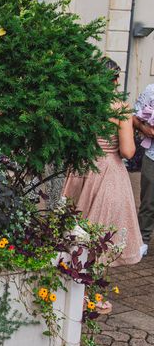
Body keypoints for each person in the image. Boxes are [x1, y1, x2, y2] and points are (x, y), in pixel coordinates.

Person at [62, 58, 143, 274]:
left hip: (80, 168)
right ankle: (92, 295)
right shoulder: (121, 109)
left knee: (74, 230)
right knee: (101, 235)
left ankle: (72, 286)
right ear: (115, 81)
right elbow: (127, 151)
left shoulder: (80, 104)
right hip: (108, 172)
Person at [133, 81, 154, 257]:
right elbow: (133, 116)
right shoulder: (151, 90)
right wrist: (144, 128)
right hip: (153, 156)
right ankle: (143, 240)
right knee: (148, 201)